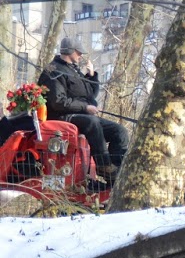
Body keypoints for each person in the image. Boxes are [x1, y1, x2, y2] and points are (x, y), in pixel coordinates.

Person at [38, 37, 128, 182]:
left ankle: (116, 174)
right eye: (78, 52)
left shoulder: (73, 70)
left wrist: (91, 76)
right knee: (92, 122)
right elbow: (58, 102)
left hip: (81, 115)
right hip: (62, 116)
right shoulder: (52, 71)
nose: (81, 55)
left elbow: (90, 95)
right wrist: (85, 107)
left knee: (119, 131)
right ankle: (103, 165)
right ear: (70, 51)